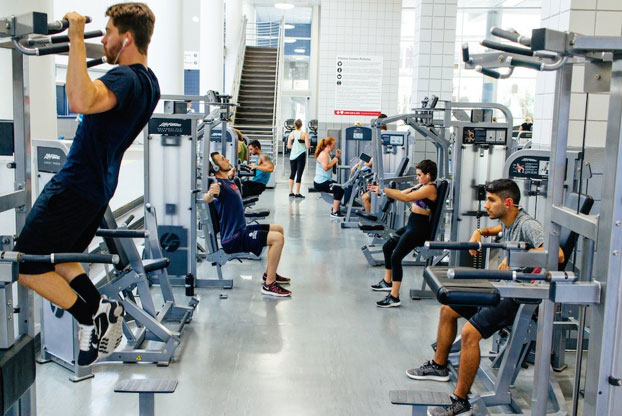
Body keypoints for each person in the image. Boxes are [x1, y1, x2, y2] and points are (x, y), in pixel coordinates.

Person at [14, 3, 159, 366]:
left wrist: (77, 37)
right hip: (97, 190)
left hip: (75, 185)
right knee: (62, 260)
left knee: (27, 265)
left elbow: (78, 99)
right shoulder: (149, 82)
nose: (104, 40)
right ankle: (98, 312)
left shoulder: (124, 78)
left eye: (108, 32)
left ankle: (90, 313)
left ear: (126, 38)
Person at [405, 179, 564, 416]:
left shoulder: (528, 224)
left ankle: (461, 402)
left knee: (470, 333)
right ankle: (439, 366)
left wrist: (516, 259)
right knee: (448, 309)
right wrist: (480, 231)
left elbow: (557, 254)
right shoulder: (509, 221)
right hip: (504, 288)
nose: (485, 205)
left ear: (508, 202)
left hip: (519, 297)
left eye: (491, 200)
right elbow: (499, 230)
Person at [203, 152, 291, 297]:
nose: (227, 159)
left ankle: (270, 273)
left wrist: (231, 175)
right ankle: (269, 284)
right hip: (233, 238)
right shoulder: (218, 185)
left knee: (278, 229)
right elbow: (207, 197)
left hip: (241, 230)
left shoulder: (228, 181)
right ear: (216, 167)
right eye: (222, 159)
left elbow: (229, 180)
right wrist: (210, 194)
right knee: (277, 239)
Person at [369, 160, 438, 307]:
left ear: (428, 175)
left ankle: (394, 297)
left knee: (396, 257)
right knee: (387, 247)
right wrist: (381, 190)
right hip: (411, 224)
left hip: (419, 228)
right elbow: (401, 193)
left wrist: (384, 190)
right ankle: (387, 282)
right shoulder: (422, 185)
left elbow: (406, 198)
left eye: (420, 175)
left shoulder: (430, 189)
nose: (417, 178)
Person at [313, 137, 344, 218]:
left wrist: (337, 157)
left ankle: (335, 208)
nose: (334, 146)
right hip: (321, 182)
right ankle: (334, 212)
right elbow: (325, 167)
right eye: (333, 145)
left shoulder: (327, 154)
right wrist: (334, 160)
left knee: (340, 186)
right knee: (339, 189)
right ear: (328, 145)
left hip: (324, 180)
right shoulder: (324, 154)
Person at [287, 119, 310, 198]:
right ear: (301, 125)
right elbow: (307, 146)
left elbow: (289, 146)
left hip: (292, 156)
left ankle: (290, 192)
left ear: (294, 125)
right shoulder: (304, 134)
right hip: (301, 155)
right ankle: (297, 193)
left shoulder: (291, 134)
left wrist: (295, 146)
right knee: (299, 174)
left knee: (292, 173)